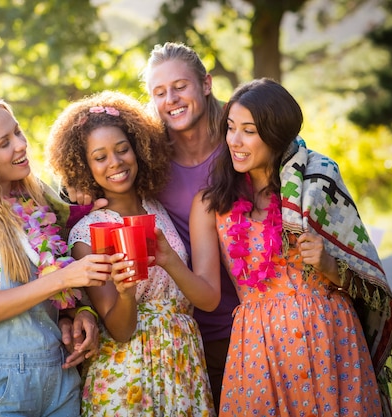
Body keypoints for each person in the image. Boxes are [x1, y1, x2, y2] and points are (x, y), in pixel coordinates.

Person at [191, 77, 392, 416]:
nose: (235, 141)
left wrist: (329, 264)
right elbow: (207, 287)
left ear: (275, 135)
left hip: (330, 340)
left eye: (249, 131)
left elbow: (365, 277)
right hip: (260, 347)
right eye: (230, 128)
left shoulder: (317, 184)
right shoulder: (214, 203)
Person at [47, 90, 219, 416]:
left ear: (137, 149)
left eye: (122, 149)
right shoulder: (88, 233)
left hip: (183, 363)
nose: (115, 162)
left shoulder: (158, 209)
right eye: (100, 157)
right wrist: (126, 293)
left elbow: (200, 294)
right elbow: (120, 330)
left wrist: (169, 259)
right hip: (129, 375)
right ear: (84, 166)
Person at [0, 96, 113, 417]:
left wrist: (79, 314)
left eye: (18, 133)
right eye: (5, 143)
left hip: (58, 373)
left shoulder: (35, 199)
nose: (20, 145)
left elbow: (56, 296)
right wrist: (63, 278)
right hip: (3, 384)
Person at [140, 41, 240, 412]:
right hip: (196, 335)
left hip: (261, 320)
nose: (171, 99)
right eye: (159, 92)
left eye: (180, 86)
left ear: (206, 84)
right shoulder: (149, 159)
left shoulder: (240, 138)